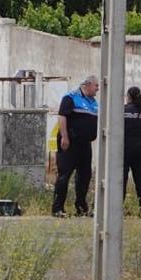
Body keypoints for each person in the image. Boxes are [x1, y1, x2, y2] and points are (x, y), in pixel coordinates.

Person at [51, 75, 100, 217]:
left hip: (85, 144)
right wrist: (65, 137)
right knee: (64, 175)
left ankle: (81, 207)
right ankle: (58, 208)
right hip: (70, 143)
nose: (98, 89)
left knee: (85, 175)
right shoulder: (70, 98)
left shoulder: (93, 102)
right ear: (88, 84)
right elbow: (62, 117)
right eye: (96, 86)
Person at [122, 87, 141, 214]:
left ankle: (118, 208)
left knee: (121, 179)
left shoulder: (123, 110)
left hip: (126, 149)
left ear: (128, 96)